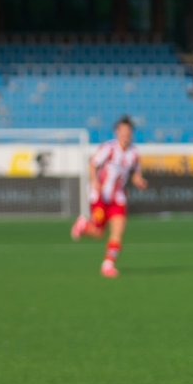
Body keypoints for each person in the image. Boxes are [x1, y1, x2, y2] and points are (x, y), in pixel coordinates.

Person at [71, 116, 148, 277]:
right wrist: (94, 181)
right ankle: (84, 225)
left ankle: (108, 264)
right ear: (117, 132)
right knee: (98, 232)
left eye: (128, 131)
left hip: (118, 197)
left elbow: (135, 174)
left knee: (118, 231)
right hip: (100, 195)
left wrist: (139, 181)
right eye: (123, 131)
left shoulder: (134, 153)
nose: (125, 134)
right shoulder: (109, 148)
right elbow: (93, 164)